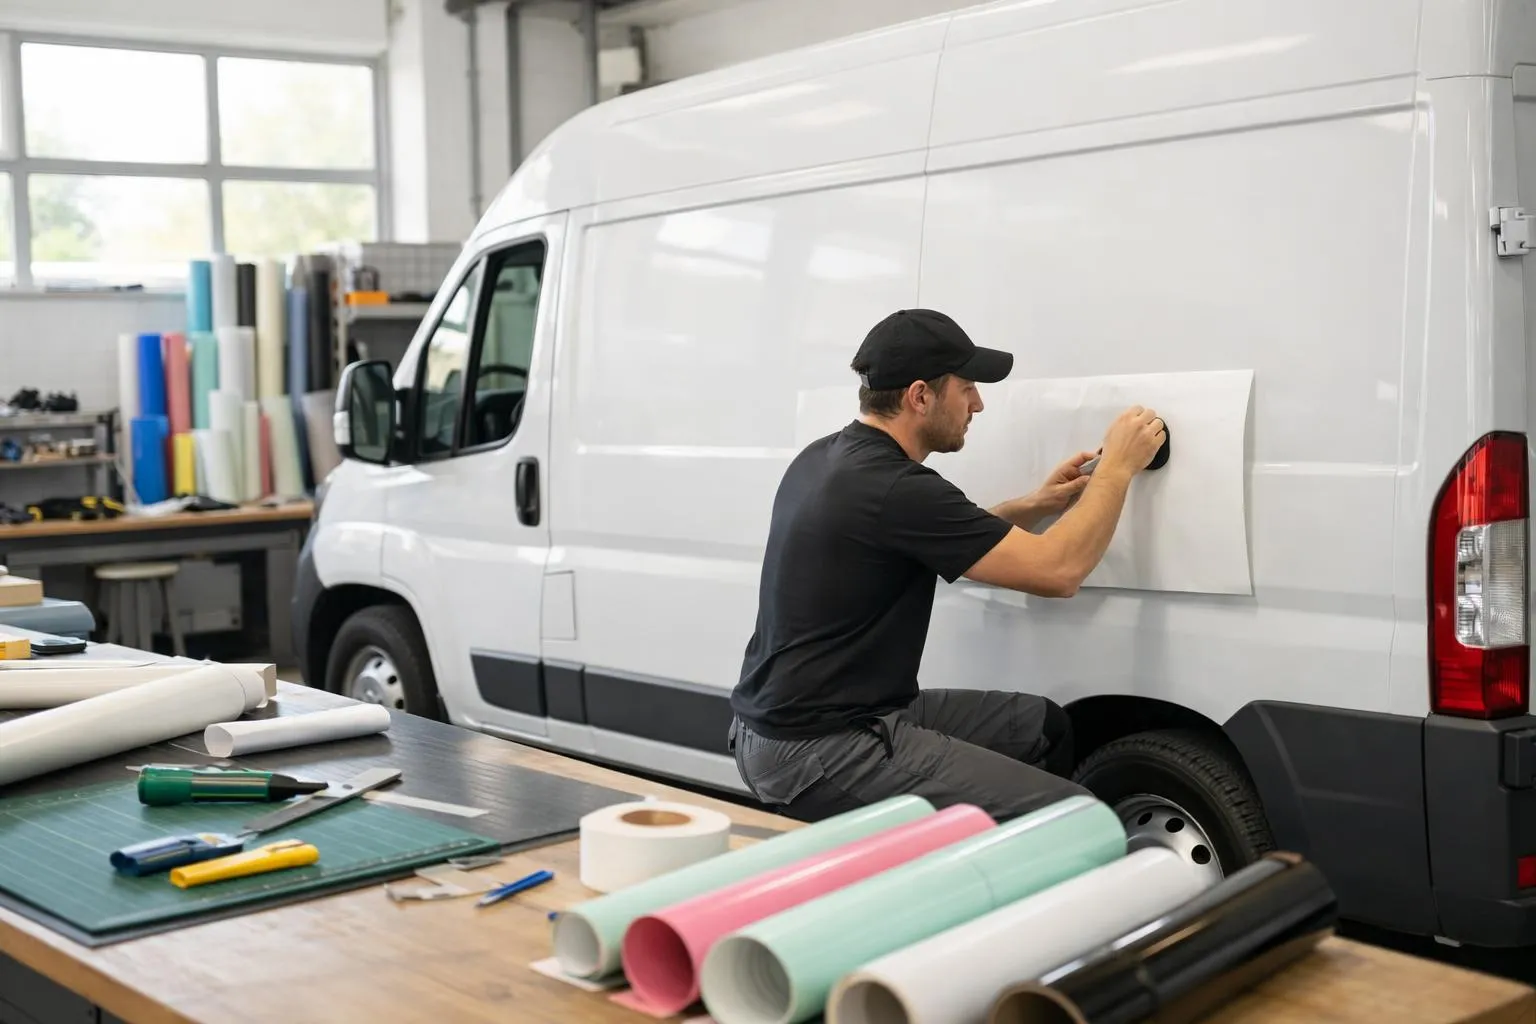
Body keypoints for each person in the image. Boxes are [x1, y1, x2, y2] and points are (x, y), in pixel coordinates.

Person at [728, 308, 1167, 823]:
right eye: (967, 388)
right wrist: (1118, 465)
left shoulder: (828, 457)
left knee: (1042, 728)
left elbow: (932, 536)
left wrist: (1035, 505)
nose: (977, 403)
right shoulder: (895, 487)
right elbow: (1059, 571)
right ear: (920, 396)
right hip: (817, 746)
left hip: (796, 723)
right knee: (1077, 819)